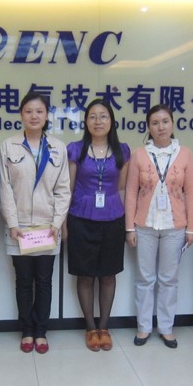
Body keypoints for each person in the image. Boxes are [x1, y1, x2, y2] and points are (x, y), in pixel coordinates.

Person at [0, 92, 71, 354]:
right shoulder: (9, 146)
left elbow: (63, 189)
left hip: (47, 227)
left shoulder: (58, 147)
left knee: (44, 281)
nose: (34, 116)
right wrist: (12, 222)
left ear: (47, 115)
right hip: (19, 228)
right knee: (23, 281)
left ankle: (41, 331)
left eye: (39, 111)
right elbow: (5, 187)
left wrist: (57, 222)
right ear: (21, 115)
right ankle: (26, 330)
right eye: (28, 111)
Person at [125, 104, 193, 349]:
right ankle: (144, 327)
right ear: (148, 127)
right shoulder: (139, 154)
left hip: (175, 226)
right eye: (155, 123)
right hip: (144, 225)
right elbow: (131, 192)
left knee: (168, 279)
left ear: (172, 124)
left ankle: (166, 327)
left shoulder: (185, 153)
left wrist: (192, 227)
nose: (161, 127)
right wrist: (129, 227)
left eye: (165, 121)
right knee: (145, 279)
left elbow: (191, 193)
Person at [66, 99, 130, 352]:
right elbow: (69, 188)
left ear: (111, 121)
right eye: (92, 116)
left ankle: (104, 327)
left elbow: (122, 188)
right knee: (85, 275)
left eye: (103, 116)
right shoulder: (76, 149)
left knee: (108, 274)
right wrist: (63, 223)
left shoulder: (122, 150)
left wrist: (127, 223)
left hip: (113, 219)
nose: (98, 121)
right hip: (81, 217)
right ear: (86, 122)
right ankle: (90, 328)